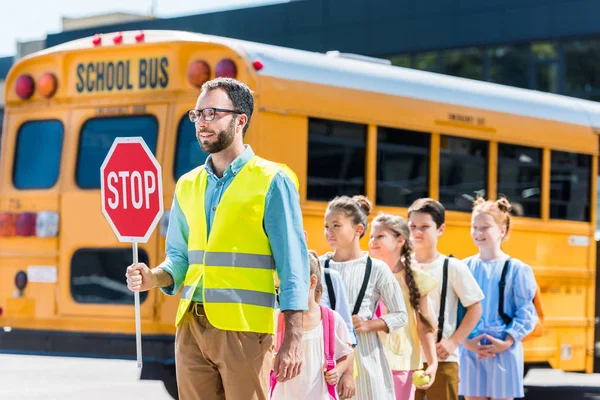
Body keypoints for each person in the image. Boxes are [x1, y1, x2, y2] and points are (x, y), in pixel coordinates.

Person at [125, 77, 309, 400]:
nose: (201, 123)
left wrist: (293, 339)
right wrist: (153, 277)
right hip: (191, 327)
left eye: (212, 113)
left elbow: (294, 265)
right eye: (197, 115)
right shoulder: (186, 184)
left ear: (241, 120)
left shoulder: (273, 181)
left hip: (245, 329)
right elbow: (179, 258)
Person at [321, 195, 408, 400]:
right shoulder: (320, 264)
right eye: (326, 226)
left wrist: (368, 325)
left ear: (358, 230)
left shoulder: (376, 268)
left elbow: (400, 315)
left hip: (366, 357)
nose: (329, 232)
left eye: (336, 225)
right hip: (326, 357)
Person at [459, 197, 538, 400]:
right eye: (474, 227)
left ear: (501, 230)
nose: (478, 232)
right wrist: (466, 341)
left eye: (485, 227)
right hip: (470, 347)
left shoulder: (517, 269)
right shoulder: (462, 268)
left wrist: (508, 340)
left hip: (504, 346)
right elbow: (454, 309)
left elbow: (526, 312)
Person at [408, 198, 484, 400]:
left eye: (425, 227)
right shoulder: (401, 265)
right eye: (412, 226)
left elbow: (475, 307)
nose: (417, 231)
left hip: (443, 359)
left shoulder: (452, 266)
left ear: (440, 229)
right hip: (406, 359)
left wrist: (453, 342)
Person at [369, 212, 438, 400]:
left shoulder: (417, 279)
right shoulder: (365, 274)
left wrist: (432, 363)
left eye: (380, 236)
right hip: (368, 359)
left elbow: (424, 325)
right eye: (371, 237)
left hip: (402, 362)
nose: (373, 241)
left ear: (400, 240)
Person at [271, 250, 354, 399]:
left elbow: (347, 354)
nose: (284, 292)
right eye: (280, 287)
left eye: (291, 285)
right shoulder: (278, 318)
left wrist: (337, 371)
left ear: (312, 281)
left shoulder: (331, 319)